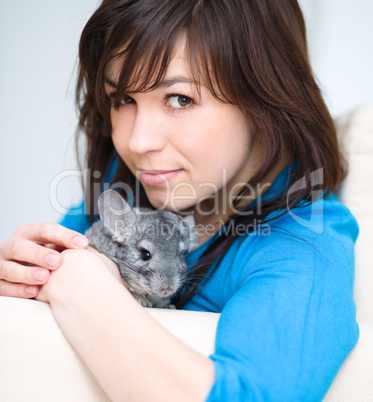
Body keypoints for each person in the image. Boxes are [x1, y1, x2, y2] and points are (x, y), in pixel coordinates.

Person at [0, 0, 359, 400]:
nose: (138, 141)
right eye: (123, 100)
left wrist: (81, 288)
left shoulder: (304, 244)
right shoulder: (132, 190)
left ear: (266, 101)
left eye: (180, 99)